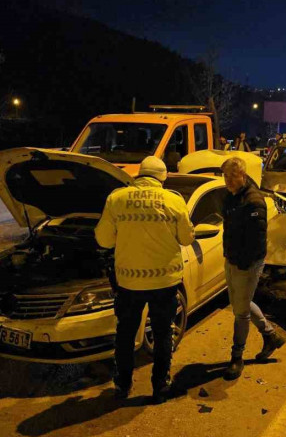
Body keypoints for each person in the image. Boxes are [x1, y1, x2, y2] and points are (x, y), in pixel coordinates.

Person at [95, 156, 195, 404]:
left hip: (129, 283)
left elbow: (104, 240)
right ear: (162, 177)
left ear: (140, 174)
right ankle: (160, 387)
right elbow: (186, 238)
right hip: (164, 283)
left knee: (125, 335)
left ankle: (122, 384)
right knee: (163, 335)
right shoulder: (173, 200)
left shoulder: (117, 199)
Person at [220, 157, 285, 380]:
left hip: (246, 264)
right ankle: (271, 336)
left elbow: (257, 240)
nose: (228, 180)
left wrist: (244, 264)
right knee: (240, 304)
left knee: (241, 312)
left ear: (243, 175)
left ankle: (237, 358)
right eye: (225, 176)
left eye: (232, 176)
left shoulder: (253, 201)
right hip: (232, 259)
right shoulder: (231, 196)